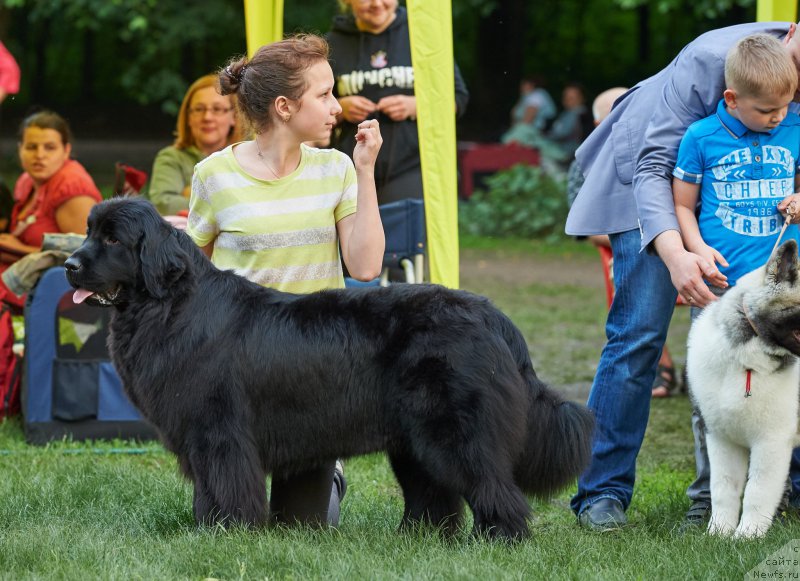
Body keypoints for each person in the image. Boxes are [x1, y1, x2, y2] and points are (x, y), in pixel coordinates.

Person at [565, 21, 800, 532]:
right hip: (646, 174)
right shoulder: (709, 60)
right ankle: (601, 493)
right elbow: (654, 168)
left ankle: (774, 487)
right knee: (639, 335)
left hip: (740, 212)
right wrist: (678, 255)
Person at [186, 34, 385, 526]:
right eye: (324, 95)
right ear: (283, 106)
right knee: (226, 526)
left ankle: (327, 469)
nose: (337, 106)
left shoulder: (337, 168)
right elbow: (189, 279)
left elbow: (365, 266)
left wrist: (366, 172)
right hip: (236, 374)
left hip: (313, 368)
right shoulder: (213, 175)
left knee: (304, 528)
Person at [673, 33, 800, 529]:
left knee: (781, 392)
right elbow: (683, 204)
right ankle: (709, 498)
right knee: (714, 398)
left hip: (782, 294)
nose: (778, 118)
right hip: (721, 288)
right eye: (767, 110)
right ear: (731, 99)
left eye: (785, 107)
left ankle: (779, 490)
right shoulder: (701, 137)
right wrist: (695, 248)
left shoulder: (794, 127)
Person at [566, 86, 680, 399]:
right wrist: (647, 235)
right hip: (623, 243)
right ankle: (662, 366)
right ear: (599, 124)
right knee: (636, 298)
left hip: (677, 237)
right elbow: (588, 230)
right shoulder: (584, 163)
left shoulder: (664, 147)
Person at [326, 0, 469, 205]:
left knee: (403, 232)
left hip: (412, 165)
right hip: (350, 167)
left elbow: (458, 99)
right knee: (357, 236)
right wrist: (341, 108)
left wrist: (415, 105)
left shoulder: (423, 36)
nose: (377, 4)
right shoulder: (332, 44)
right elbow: (310, 103)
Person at [147, 74, 245, 216]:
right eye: (199, 109)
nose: (207, 117)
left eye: (217, 109)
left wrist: (192, 193)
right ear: (188, 117)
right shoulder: (171, 158)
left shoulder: (248, 157)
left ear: (234, 117)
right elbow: (163, 205)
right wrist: (228, 198)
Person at [502, 76, 557, 144]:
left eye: (524, 84)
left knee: (508, 140)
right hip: (524, 129)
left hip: (537, 132)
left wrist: (516, 130)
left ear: (532, 85)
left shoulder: (536, 96)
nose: (521, 87)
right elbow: (514, 114)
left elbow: (528, 120)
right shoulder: (525, 97)